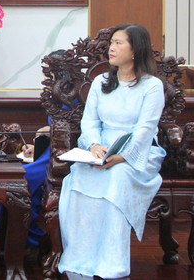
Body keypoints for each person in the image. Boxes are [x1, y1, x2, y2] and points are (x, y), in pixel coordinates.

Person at [57, 23, 166, 279]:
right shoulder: (100, 82)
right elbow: (90, 122)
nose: (112, 48)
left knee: (116, 178)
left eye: (119, 43)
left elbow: (145, 129)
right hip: (100, 151)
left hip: (137, 155)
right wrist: (94, 145)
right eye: (111, 43)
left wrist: (121, 157)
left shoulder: (152, 86)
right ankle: (80, 258)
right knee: (78, 177)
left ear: (135, 50)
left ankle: (111, 262)